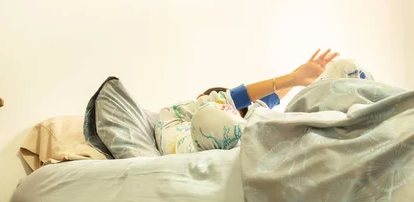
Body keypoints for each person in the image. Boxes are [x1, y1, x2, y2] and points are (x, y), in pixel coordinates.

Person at [156, 50, 373, 155]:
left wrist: (297, 78)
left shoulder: (253, 117)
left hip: (274, 133)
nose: (236, 111)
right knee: (210, 115)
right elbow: (232, 99)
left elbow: (268, 101)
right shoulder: (176, 116)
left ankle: (380, 109)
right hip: (259, 140)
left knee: (346, 65)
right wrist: (292, 78)